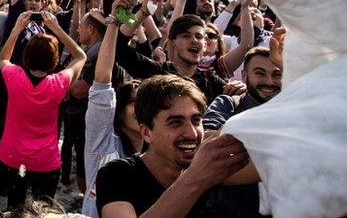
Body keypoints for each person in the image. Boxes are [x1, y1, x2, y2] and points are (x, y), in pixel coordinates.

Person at [95, 75, 257, 217]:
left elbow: (274, 164)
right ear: (146, 133)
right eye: (175, 123)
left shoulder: (207, 165)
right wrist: (195, 179)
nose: (192, 134)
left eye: (196, 120)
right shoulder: (117, 175)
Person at [0, 9, 86, 211]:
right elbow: (80, 56)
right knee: (45, 211)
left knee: (14, 208)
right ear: (54, 61)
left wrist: (17, 29)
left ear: (26, 56)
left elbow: (3, 58)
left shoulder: (14, 76)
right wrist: (57, 29)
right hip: (45, 160)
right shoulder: (59, 82)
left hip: (14, 156)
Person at [82, 0, 143, 218]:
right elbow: (102, 82)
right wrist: (114, 24)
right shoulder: (103, 141)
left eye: (147, 104)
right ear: (118, 111)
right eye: (134, 102)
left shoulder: (160, 150)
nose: (142, 109)